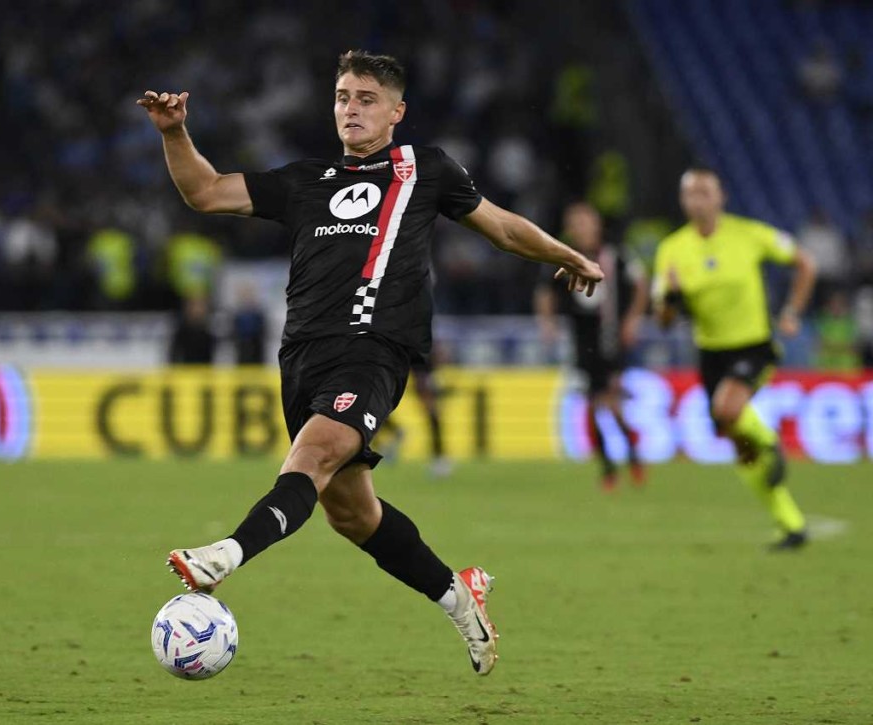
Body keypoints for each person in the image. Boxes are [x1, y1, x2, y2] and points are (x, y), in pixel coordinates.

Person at [137, 50, 603, 676]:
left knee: (312, 456)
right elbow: (205, 191)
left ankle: (224, 555)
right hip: (302, 357)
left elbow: (502, 227)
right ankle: (459, 596)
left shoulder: (424, 169)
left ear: (395, 112)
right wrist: (174, 133)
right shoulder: (305, 181)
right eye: (342, 98)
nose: (350, 109)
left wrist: (567, 255)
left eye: (365, 99)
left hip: (375, 350)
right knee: (352, 513)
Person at [652, 168, 816, 551]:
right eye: (690, 194)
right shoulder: (671, 249)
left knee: (727, 408)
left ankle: (771, 441)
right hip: (710, 353)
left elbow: (805, 263)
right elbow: (664, 320)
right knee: (740, 447)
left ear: (721, 197)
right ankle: (791, 524)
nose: (698, 201)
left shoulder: (749, 234)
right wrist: (671, 298)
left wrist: (792, 311)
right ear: (682, 200)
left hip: (752, 346)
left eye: (705, 192)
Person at [535, 202, 648, 491]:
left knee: (607, 403)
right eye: (576, 223)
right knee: (596, 405)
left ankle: (626, 459)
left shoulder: (615, 254)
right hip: (581, 343)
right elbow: (545, 291)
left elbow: (641, 283)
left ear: (597, 225)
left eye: (585, 222)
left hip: (611, 340)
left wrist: (632, 320)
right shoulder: (563, 256)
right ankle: (612, 466)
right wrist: (547, 323)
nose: (581, 228)